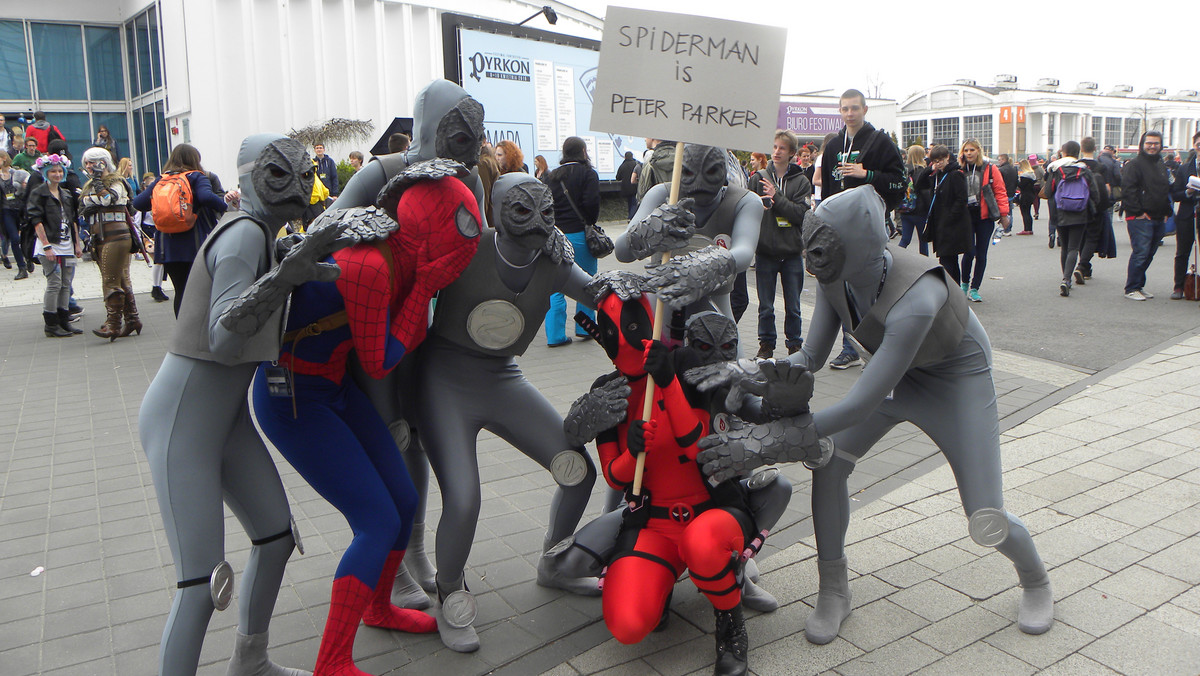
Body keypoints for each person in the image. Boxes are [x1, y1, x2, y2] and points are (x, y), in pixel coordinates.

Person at [695, 184, 1055, 646]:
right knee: (829, 464)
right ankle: (834, 590)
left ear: (862, 245)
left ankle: (1036, 579)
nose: (814, 260)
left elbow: (857, 404)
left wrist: (768, 443)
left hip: (955, 381)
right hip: (892, 378)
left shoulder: (917, 297)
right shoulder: (834, 275)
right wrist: (746, 373)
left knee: (985, 514)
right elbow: (810, 357)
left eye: (824, 248)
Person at [253, 162, 481, 675]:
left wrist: (424, 283)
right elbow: (380, 360)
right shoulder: (373, 264)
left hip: (331, 386)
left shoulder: (396, 252)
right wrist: (424, 288)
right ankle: (332, 661)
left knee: (400, 500)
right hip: (294, 398)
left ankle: (378, 608)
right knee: (375, 521)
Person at [138, 133, 322, 676]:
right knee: (200, 584)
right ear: (252, 176)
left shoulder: (261, 235)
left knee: (275, 536)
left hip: (223, 418)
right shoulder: (244, 236)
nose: (294, 186)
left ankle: (251, 660)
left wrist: (290, 264)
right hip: (186, 422)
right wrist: (285, 275)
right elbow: (222, 337)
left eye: (300, 172)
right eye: (278, 173)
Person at [416, 173, 600, 652]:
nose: (537, 223)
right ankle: (450, 589)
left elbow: (603, 294)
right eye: (522, 210)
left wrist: (654, 278)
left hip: (501, 377)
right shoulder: (468, 250)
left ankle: (556, 560)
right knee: (464, 498)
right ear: (494, 212)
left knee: (576, 468)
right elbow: (409, 304)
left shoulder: (553, 263)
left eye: (546, 211)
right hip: (444, 379)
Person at [818, 89, 906, 368]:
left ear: (865, 110)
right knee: (841, 288)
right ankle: (850, 347)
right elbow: (829, 190)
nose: (849, 114)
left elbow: (899, 182)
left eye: (854, 108)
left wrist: (866, 175)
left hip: (868, 230)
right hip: (838, 232)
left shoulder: (881, 142)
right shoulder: (833, 146)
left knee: (869, 289)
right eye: (844, 109)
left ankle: (875, 346)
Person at [132, 143, 228, 316]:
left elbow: (138, 203)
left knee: (181, 292)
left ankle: (183, 336)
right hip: (196, 243)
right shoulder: (197, 177)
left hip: (168, 245)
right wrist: (224, 205)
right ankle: (201, 335)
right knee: (202, 292)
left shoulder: (162, 179)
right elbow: (207, 197)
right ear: (195, 159)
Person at [748, 129, 810, 360]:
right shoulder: (758, 177)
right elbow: (747, 209)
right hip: (765, 250)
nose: (776, 152)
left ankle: (794, 345)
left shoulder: (801, 181)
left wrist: (777, 198)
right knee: (765, 305)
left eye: (781, 148)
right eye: (774, 147)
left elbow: (801, 214)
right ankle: (766, 345)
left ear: (792, 153)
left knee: (793, 305)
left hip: (792, 252)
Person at [79, 147, 142, 339]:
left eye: (93, 162)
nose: (89, 166)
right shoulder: (91, 183)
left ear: (103, 162)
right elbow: (82, 204)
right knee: (120, 278)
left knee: (110, 280)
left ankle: (113, 324)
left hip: (116, 236)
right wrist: (93, 198)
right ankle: (132, 319)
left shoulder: (117, 182)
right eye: (87, 163)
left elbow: (107, 200)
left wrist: (94, 196)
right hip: (100, 236)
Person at [544, 136, 600, 347]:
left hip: (556, 236)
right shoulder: (588, 174)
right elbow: (591, 203)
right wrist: (590, 221)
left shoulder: (551, 176)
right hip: (580, 236)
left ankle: (555, 335)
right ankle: (585, 327)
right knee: (586, 282)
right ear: (584, 152)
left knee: (557, 285)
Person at [26, 153, 81, 337]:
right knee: (54, 282)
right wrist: (46, 245)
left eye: (60, 171)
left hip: (68, 247)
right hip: (50, 245)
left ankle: (64, 320)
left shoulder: (65, 193)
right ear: (46, 173)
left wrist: (77, 243)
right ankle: (51, 323)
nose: (57, 174)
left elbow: (72, 219)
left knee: (67, 282)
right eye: (53, 171)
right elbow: (36, 220)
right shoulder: (39, 193)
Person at [1043, 141, 1100, 297]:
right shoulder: (1084, 170)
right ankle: (1067, 279)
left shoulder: (1056, 169)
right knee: (1074, 248)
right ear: (1078, 153)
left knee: (1065, 247)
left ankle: (1065, 278)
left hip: (1060, 212)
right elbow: (1095, 193)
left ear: (1063, 152)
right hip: (1080, 213)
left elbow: (1048, 192)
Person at [956, 139, 1010, 302]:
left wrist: (1004, 214)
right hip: (966, 216)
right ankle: (964, 284)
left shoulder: (990, 169)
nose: (969, 153)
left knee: (981, 254)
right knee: (968, 251)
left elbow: (1000, 191)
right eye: (966, 151)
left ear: (978, 151)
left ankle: (975, 288)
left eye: (972, 150)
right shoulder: (959, 169)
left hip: (985, 216)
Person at [1121, 131, 1173, 301]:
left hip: (1158, 216)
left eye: (1156, 143)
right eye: (1149, 143)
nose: (1152, 146)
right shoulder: (1134, 165)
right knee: (1141, 252)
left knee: (1149, 253)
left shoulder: (1160, 164)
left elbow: (1164, 190)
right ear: (1142, 144)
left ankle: (1139, 285)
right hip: (1140, 218)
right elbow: (1128, 191)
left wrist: (1167, 211)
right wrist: (1138, 212)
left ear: (1161, 145)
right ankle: (1131, 287)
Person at [917, 145, 971, 284]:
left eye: (940, 160)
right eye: (935, 161)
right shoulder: (937, 175)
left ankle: (954, 289)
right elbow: (919, 184)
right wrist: (930, 169)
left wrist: (950, 217)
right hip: (939, 223)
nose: (938, 163)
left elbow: (961, 198)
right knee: (946, 259)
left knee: (949, 260)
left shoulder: (955, 174)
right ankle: (952, 289)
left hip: (951, 225)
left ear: (947, 157)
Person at [1074, 137, 1116, 284]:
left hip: (1077, 206)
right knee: (1092, 237)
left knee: (1081, 236)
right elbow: (1107, 188)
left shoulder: (1076, 166)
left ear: (1081, 148)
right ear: (1094, 148)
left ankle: (1085, 267)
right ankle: (1082, 265)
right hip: (1095, 206)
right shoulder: (1100, 167)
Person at [1170, 132, 1200, 299]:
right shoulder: (1184, 168)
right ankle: (1179, 286)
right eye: (1199, 145)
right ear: (1194, 146)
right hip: (1188, 214)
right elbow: (1175, 193)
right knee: (1182, 251)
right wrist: (1188, 192)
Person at [0, 150, 31, 278]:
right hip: (6, 210)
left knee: (27, 237)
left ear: (3, 158)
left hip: (21, 209)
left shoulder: (17, 173)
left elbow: (30, 183)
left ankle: (29, 259)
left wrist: (25, 185)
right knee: (14, 238)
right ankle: (21, 267)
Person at [897, 144, 930, 255]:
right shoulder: (922, 171)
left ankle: (897, 257)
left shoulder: (903, 170)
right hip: (919, 210)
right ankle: (924, 264)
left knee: (905, 239)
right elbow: (925, 192)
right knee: (923, 240)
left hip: (905, 208)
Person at [996, 154, 1018, 235]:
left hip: (1003, 192)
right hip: (1011, 192)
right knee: (1009, 211)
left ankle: (1006, 228)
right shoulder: (1014, 169)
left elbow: (998, 183)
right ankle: (1008, 228)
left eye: (999, 160)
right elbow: (1016, 181)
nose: (999, 161)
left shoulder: (1000, 170)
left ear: (1003, 160)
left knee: (1004, 211)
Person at [616, 150, 640, 219]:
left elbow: (618, 177)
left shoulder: (622, 166)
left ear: (625, 157)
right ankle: (631, 217)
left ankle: (630, 216)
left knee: (630, 203)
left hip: (626, 188)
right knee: (634, 203)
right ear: (632, 157)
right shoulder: (636, 164)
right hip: (635, 187)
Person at [1016, 158, 1038, 235]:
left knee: (1024, 212)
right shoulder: (1032, 174)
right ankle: (1030, 229)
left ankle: (1026, 229)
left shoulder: (1024, 176)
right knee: (1028, 212)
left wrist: (1017, 181)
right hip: (1031, 195)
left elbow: (1021, 186)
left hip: (1025, 195)